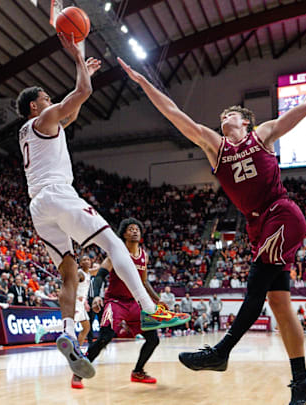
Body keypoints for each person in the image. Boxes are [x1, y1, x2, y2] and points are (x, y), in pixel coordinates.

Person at [119, 41, 306, 404]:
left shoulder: (263, 135)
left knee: (256, 284)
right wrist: (142, 82)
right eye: (221, 116)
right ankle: (302, 379)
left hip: (281, 213)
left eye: (229, 114)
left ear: (245, 121)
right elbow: (172, 112)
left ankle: (221, 351)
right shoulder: (214, 146)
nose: (222, 117)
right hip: (257, 226)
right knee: (278, 302)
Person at [16, 32, 186, 380]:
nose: (50, 101)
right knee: (114, 244)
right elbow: (81, 94)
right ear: (34, 106)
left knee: (68, 272)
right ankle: (150, 308)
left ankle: (67, 330)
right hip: (58, 195)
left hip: (38, 207)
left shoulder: (31, 130)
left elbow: (71, 113)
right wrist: (78, 59)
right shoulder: (42, 119)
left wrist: (87, 74)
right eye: (45, 98)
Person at [80, 218, 183, 389]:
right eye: (131, 229)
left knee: (153, 339)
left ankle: (138, 371)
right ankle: (80, 370)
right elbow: (99, 276)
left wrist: (157, 299)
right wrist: (96, 296)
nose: (135, 231)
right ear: (124, 234)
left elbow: (144, 281)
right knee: (105, 337)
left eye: (137, 229)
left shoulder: (144, 256)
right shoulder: (115, 253)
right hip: (114, 302)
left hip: (135, 303)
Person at [35, 255, 97, 345]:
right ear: (80, 263)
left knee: (86, 327)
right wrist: (76, 296)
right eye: (84, 260)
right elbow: (71, 286)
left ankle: (78, 348)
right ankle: (44, 329)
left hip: (81, 303)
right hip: (76, 303)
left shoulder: (88, 273)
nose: (87, 261)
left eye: (88, 259)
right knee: (69, 325)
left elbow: (98, 270)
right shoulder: (80, 274)